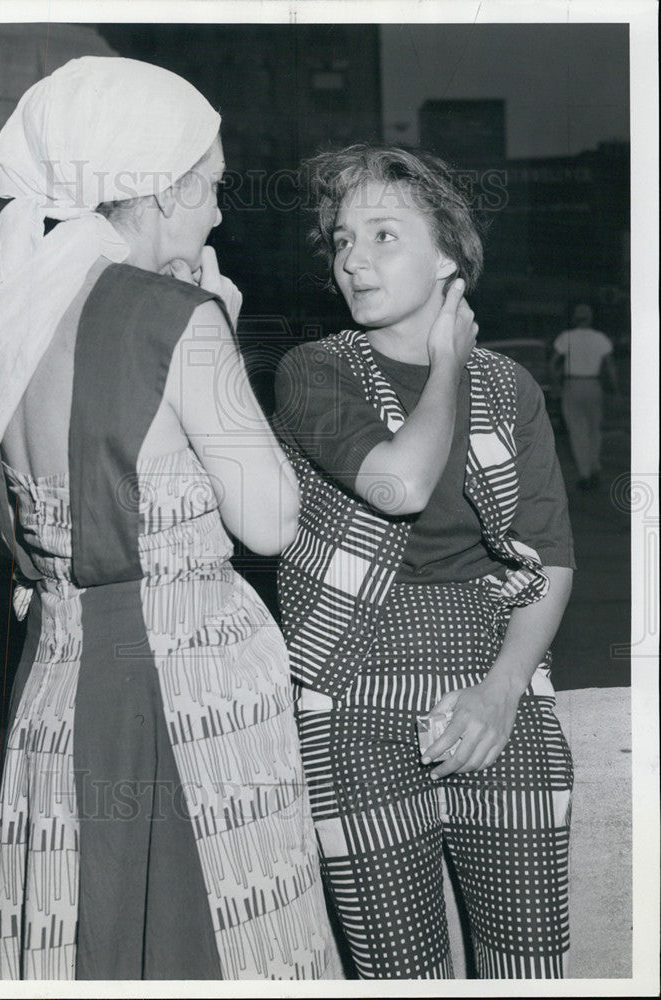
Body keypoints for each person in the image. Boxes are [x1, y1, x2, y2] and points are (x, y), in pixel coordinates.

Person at [0, 57, 342, 981]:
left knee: (80, 924)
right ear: (161, 194)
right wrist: (218, 338)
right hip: (186, 678)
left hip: (57, 676)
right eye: (207, 189)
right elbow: (269, 522)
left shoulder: (0, 316)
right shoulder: (177, 316)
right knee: (214, 931)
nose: (217, 213)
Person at [274, 144, 575, 979]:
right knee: (397, 973)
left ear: (449, 254)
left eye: (382, 235)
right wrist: (446, 362)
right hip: (355, 690)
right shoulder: (315, 369)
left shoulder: (510, 386)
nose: (352, 260)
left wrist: (501, 692)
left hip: (495, 679)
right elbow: (398, 484)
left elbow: (549, 559)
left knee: (528, 967)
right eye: (340, 240)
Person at [551, 303, 620, 491]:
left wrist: (557, 385)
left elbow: (554, 363)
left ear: (575, 318)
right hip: (593, 385)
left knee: (577, 430)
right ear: (590, 319)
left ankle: (585, 474)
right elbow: (610, 367)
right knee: (594, 429)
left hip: (573, 385)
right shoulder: (600, 339)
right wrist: (615, 390)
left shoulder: (567, 338)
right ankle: (594, 465)